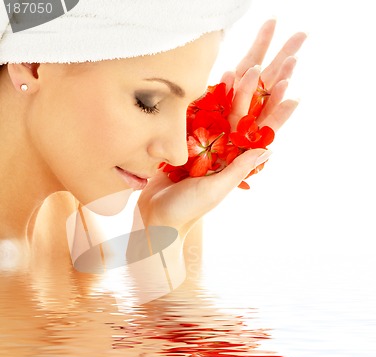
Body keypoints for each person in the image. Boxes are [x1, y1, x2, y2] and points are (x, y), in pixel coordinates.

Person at [0, 0, 306, 284]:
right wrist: (164, 243)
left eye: (188, 108)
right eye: (148, 102)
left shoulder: (65, 217)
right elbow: (174, 337)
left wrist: (165, 226)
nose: (177, 155)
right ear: (32, 63)